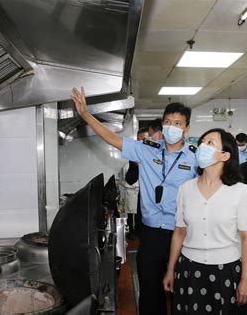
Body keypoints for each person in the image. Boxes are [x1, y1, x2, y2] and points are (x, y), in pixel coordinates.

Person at [71, 87, 198, 315]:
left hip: (183, 233)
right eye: (168, 122)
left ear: (186, 128)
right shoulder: (146, 151)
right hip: (150, 235)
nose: (172, 127)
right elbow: (113, 139)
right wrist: (86, 115)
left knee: (182, 292)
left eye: (178, 123)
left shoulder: (195, 157)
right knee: (150, 291)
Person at [163, 128, 247, 315]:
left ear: (225, 155)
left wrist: (246, 279)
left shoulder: (240, 190)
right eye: (202, 142)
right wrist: (171, 269)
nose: (202, 146)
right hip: (189, 269)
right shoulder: (186, 189)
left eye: (210, 143)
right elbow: (180, 232)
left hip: (226, 270)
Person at [123, 127, 149, 239]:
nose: (140, 143)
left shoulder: (160, 156)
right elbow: (130, 179)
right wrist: (135, 165)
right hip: (142, 204)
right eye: (138, 140)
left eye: (143, 140)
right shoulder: (136, 157)